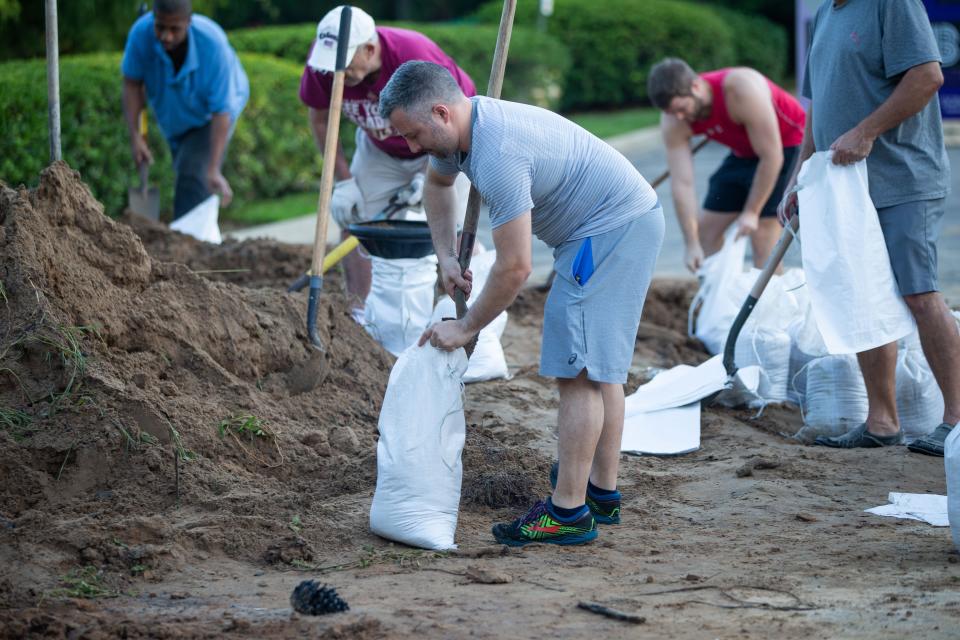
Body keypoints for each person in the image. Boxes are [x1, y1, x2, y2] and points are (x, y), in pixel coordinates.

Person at [379, 61, 665, 546]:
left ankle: (568, 511)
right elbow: (438, 186)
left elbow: (514, 267)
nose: (411, 148)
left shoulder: (498, 154)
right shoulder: (464, 134)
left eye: (413, 135)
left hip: (609, 230)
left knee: (576, 372)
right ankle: (600, 494)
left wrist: (467, 327)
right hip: (623, 223)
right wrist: (446, 255)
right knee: (599, 368)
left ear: (442, 113)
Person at [779, 0, 959, 455]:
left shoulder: (889, 3)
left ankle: (956, 421)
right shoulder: (825, 16)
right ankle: (882, 422)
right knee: (863, 297)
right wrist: (799, 178)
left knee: (918, 293)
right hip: (844, 187)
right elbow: (818, 107)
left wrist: (866, 131)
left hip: (903, 179)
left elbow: (927, 77)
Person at [299, 6, 475, 315]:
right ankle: (359, 314)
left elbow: (455, 115)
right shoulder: (326, 59)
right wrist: (344, 182)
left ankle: (450, 310)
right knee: (353, 217)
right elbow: (321, 122)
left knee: (453, 226)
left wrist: (429, 174)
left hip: (442, 148)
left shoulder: (413, 53)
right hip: (379, 150)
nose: (332, 75)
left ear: (369, 50)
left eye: (343, 68)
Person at [648, 58, 805, 271]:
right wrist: (691, 243)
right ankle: (723, 298)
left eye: (682, 109)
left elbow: (771, 156)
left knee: (761, 239)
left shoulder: (739, 89)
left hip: (789, 147)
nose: (680, 117)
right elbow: (682, 183)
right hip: (744, 153)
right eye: (672, 113)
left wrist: (751, 212)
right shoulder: (674, 120)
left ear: (695, 86)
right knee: (704, 235)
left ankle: (769, 303)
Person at [121, 0, 248, 218]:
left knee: (193, 172)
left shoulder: (212, 45)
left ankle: (187, 240)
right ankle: (201, 236)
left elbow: (221, 112)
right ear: (153, 18)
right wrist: (136, 138)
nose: (166, 36)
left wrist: (213, 168)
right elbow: (132, 83)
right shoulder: (140, 35)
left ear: (189, 22)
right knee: (187, 167)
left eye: (174, 29)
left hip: (211, 115)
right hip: (176, 116)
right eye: (160, 27)